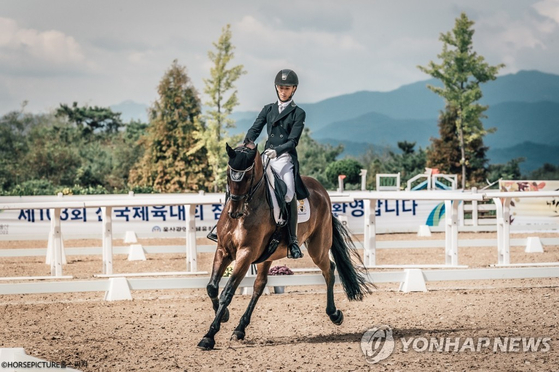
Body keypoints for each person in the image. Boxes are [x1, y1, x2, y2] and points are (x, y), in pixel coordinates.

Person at [243, 69, 309, 259]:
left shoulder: (298, 113)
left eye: (287, 88)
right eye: (280, 87)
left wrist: (278, 151)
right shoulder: (268, 109)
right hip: (267, 157)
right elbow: (256, 128)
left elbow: (293, 140)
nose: (283, 91)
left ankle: (293, 240)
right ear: (276, 88)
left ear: (293, 89)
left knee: (288, 193)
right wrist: (247, 142)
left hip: (284, 158)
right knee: (245, 183)